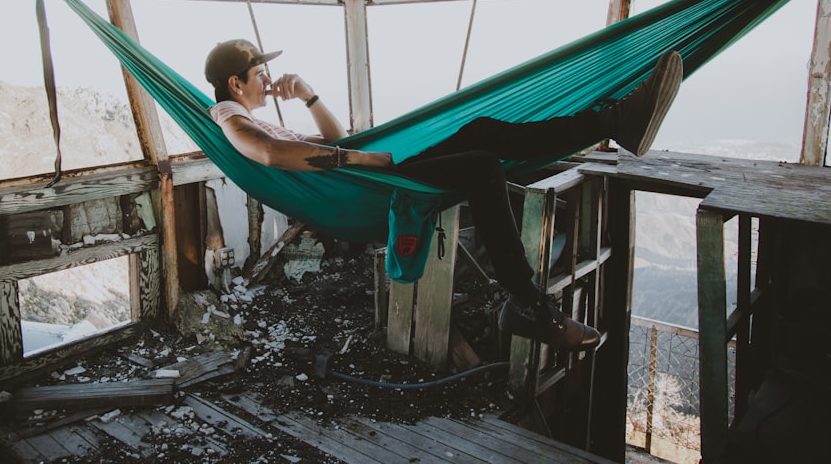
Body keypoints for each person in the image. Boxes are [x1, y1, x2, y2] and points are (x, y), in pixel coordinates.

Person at [205, 38, 683, 351]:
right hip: (365, 188)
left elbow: (336, 136)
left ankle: (615, 122)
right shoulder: (231, 118)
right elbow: (269, 155)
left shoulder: (258, 115)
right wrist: (364, 161)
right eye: (259, 71)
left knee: (482, 131)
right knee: (481, 164)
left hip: (367, 177)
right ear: (236, 83)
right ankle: (528, 306)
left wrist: (307, 96)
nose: (267, 79)